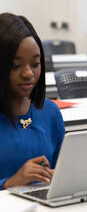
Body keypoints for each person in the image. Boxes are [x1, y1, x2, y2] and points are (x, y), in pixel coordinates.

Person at [0, 13, 65, 190]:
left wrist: (58, 177)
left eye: (35, 64)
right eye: (15, 66)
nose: (28, 73)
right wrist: (8, 183)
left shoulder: (50, 112)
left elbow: (64, 171)